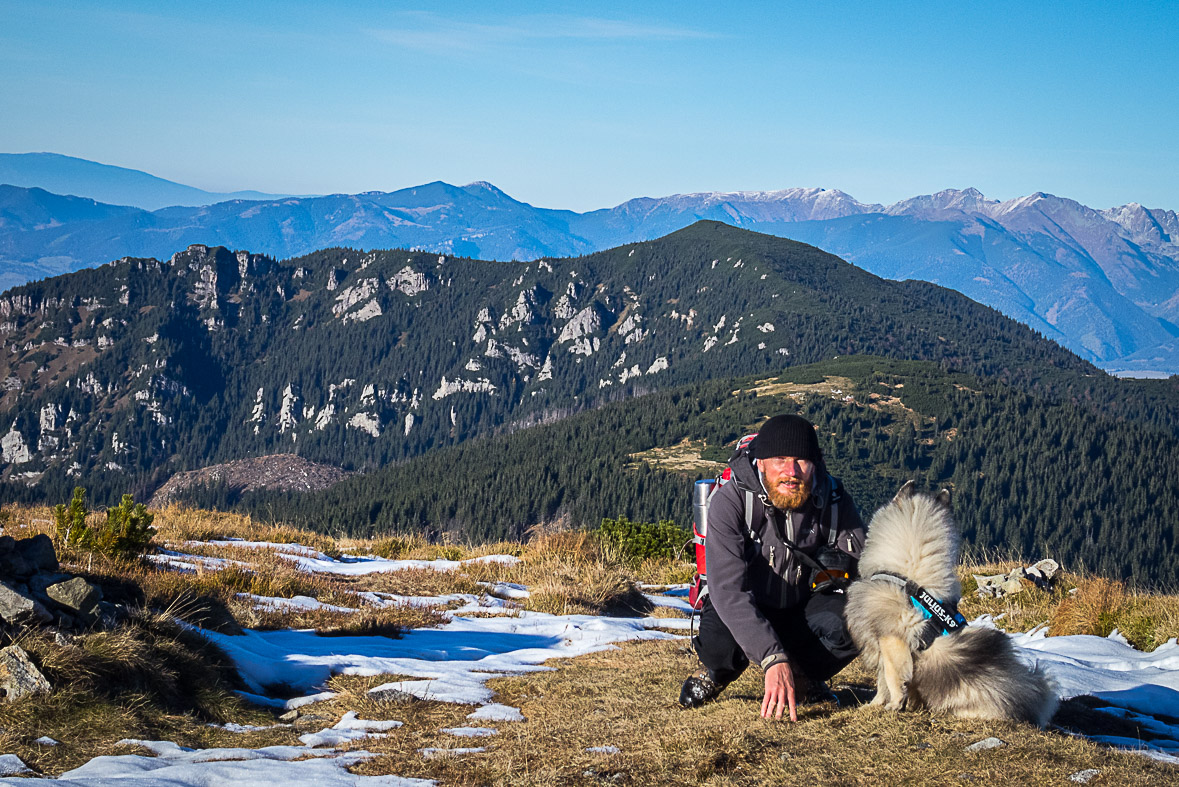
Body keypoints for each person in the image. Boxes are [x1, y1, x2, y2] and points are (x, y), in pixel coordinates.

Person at [680, 413, 866, 721]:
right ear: (761, 462)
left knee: (860, 617)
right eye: (780, 459)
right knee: (718, 647)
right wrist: (772, 657)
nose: (791, 471)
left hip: (799, 607)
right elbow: (728, 592)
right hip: (744, 603)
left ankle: (804, 675)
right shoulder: (731, 502)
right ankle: (716, 672)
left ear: (815, 464)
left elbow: (867, 563)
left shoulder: (832, 501)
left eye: (801, 461)